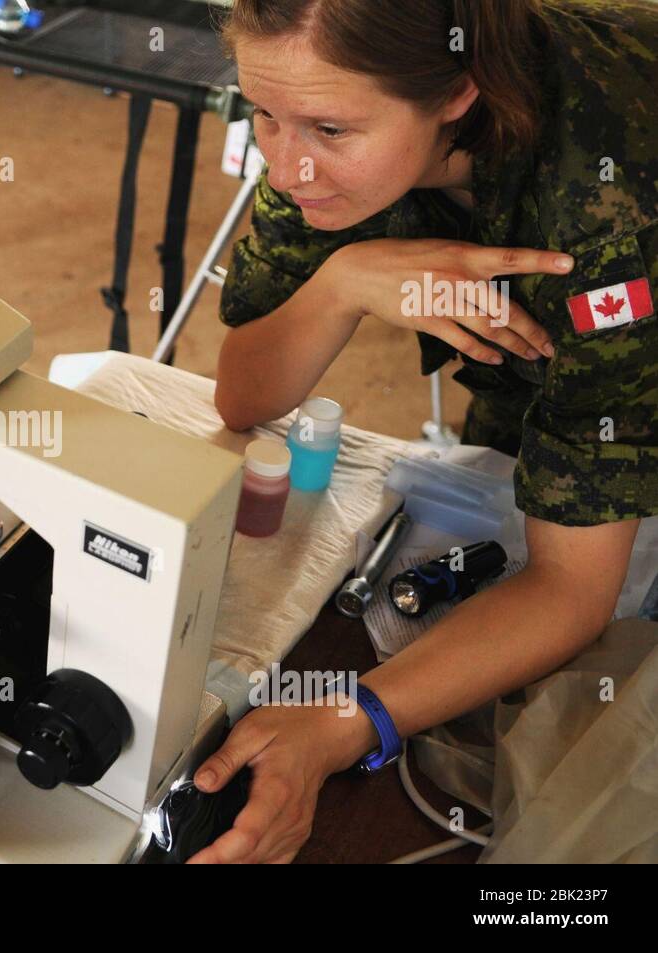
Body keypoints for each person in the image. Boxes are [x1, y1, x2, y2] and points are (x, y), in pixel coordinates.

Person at [194, 0, 658, 863]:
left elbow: (570, 589)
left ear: (456, 94)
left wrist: (344, 722)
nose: (288, 168)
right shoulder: (322, 111)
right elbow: (243, 392)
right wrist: (343, 281)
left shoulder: (603, 224)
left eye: (329, 128)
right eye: (262, 112)